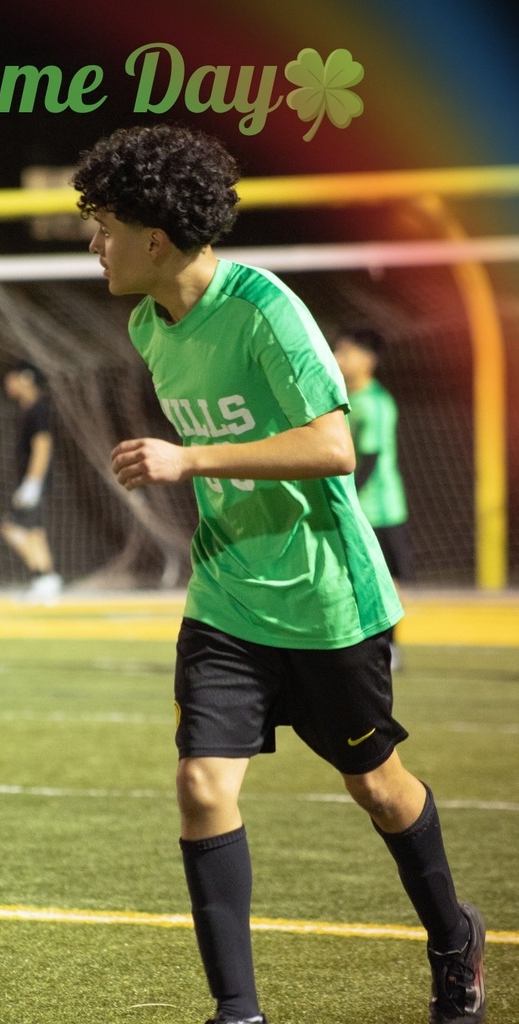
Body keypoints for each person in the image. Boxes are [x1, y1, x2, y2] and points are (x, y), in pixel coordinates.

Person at [71, 124, 485, 1024]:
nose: (91, 242)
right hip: (226, 596)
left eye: (102, 223)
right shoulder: (148, 322)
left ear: (155, 232)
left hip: (326, 598)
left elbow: (333, 446)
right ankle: (238, 1012)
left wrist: (192, 461)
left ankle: (454, 938)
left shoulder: (265, 310)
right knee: (199, 785)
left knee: (378, 788)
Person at [333, 327, 412, 670]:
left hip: (380, 509)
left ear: (367, 360)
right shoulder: (341, 396)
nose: (337, 358)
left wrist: (345, 498)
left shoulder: (376, 404)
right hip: (357, 507)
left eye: (345, 352)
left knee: (386, 582)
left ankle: (390, 648)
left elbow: (372, 459)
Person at [0, 361, 62, 601]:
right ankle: (45, 580)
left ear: (26, 378)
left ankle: (45, 578)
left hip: (34, 482)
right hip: (29, 482)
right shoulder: (26, 408)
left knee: (11, 527)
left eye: (12, 377)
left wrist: (33, 483)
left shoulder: (38, 408)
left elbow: (43, 446)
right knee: (35, 532)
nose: (9, 383)